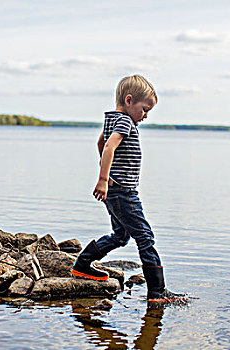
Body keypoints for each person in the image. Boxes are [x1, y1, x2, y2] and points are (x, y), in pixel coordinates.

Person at [70, 74, 184, 303]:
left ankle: (82, 265)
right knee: (145, 237)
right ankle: (157, 292)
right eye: (144, 109)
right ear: (129, 100)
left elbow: (100, 143)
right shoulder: (124, 121)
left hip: (116, 190)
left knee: (121, 235)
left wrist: (107, 175)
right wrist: (103, 179)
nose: (146, 116)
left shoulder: (111, 120)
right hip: (123, 192)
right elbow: (109, 146)